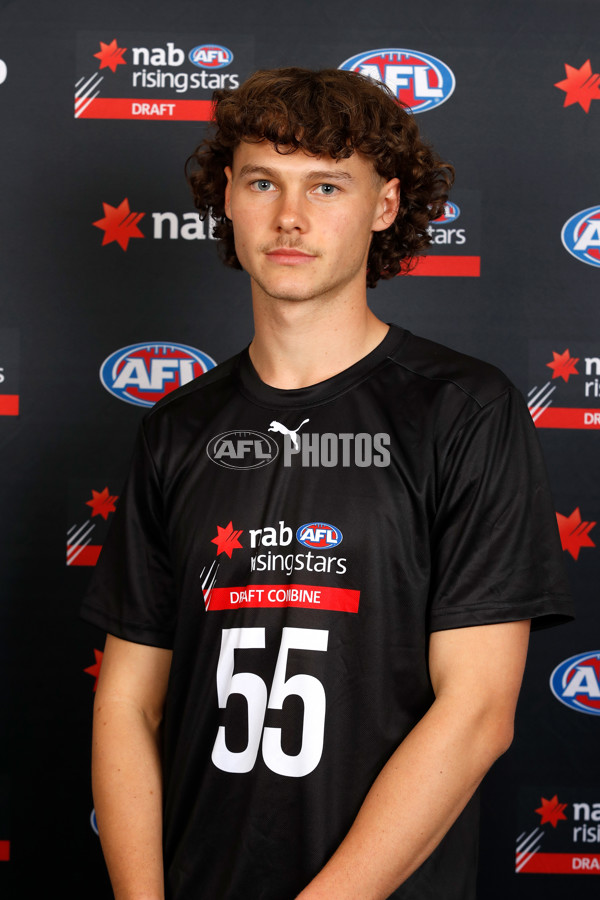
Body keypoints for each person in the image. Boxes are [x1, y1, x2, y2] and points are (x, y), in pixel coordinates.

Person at [82, 68, 573, 900]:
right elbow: (130, 704)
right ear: (227, 200)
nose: (291, 218)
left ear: (384, 207)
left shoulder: (464, 411)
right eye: (263, 181)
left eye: (328, 185)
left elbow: (478, 713)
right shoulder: (176, 428)